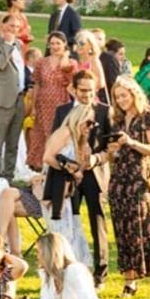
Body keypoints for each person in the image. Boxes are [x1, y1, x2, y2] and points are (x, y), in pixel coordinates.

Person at [106, 76, 150, 298]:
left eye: (124, 95)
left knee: (146, 230)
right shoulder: (118, 120)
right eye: (117, 96)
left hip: (139, 182)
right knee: (123, 232)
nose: (121, 100)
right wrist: (112, 150)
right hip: (118, 182)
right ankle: (129, 282)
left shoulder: (148, 117)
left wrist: (131, 142)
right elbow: (113, 156)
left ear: (134, 94)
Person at [50, 76, 112, 285]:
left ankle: (100, 273)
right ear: (73, 89)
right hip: (69, 177)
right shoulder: (62, 111)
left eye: (91, 91)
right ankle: (70, 269)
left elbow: (111, 148)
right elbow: (54, 144)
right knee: (71, 222)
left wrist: (96, 159)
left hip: (95, 175)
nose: (87, 95)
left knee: (98, 222)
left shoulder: (104, 111)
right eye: (83, 90)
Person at [41, 103, 99, 267]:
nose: (90, 127)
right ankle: (59, 268)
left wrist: (85, 157)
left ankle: (72, 268)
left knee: (73, 229)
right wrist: (71, 170)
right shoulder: (65, 132)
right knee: (61, 232)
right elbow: (48, 157)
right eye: (87, 123)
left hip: (69, 192)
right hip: (55, 189)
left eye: (93, 124)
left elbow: (80, 170)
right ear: (77, 119)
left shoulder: (79, 139)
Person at [0, 14, 25, 180]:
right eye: (11, 26)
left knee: (13, 142)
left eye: (17, 27)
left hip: (19, 98)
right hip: (2, 99)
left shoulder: (19, 45)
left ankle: (8, 176)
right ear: (2, 26)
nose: (14, 30)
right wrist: (8, 44)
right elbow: (0, 64)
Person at [28, 31, 75, 169]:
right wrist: (34, 106)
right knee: (42, 133)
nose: (55, 47)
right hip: (43, 102)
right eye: (52, 43)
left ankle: (55, 162)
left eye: (58, 43)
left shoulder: (70, 63)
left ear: (64, 44)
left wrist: (65, 57)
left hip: (61, 101)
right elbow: (36, 84)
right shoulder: (42, 62)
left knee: (57, 132)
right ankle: (41, 165)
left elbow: (72, 81)